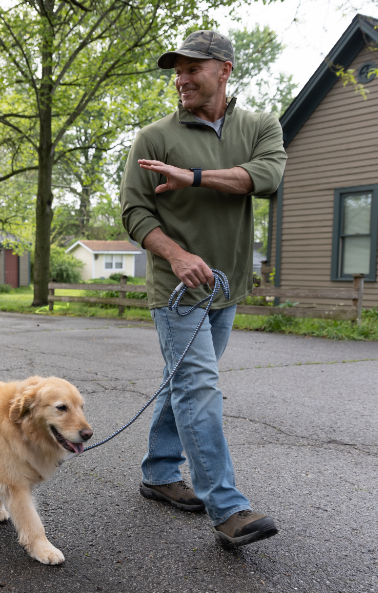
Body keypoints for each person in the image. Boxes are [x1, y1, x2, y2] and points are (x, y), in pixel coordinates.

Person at [119, 30, 287, 547]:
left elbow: (264, 177)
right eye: (177, 70)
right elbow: (134, 212)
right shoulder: (153, 137)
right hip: (176, 290)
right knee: (200, 388)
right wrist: (176, 254)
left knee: (183, 383)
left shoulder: (260, 126)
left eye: (193, 68)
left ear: (224, 70)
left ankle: (159, 472)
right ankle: (229, 509)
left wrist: (192, 177)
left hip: (226, 289)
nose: (182, 78)